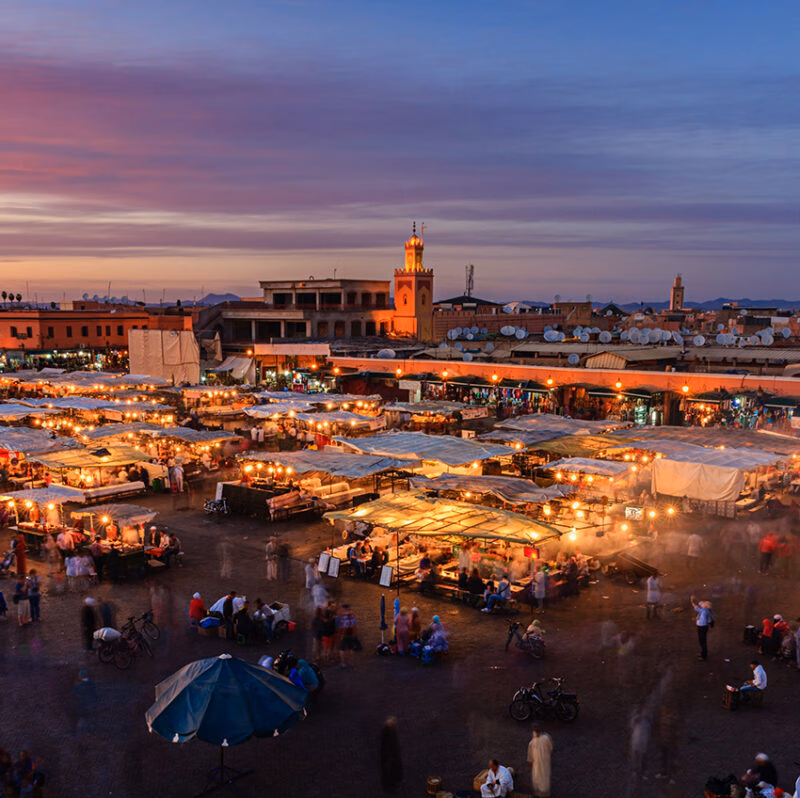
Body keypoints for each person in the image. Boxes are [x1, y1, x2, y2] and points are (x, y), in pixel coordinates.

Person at [527, 725, 553, 798]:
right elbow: (551, 749)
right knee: (544, 780)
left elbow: (529, 760)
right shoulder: (547, 738)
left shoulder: (532, 743)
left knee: (538, 780)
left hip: (537, 766)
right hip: (545, 764)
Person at [379, 716, 403, 793]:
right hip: (389, 757)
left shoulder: (390, 733)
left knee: (393, 770)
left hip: (392, 756)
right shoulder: (387, 734)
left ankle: (393, 783)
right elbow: (384, 748)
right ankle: (389, 787)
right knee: (389, 772)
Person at [691, 596, 713, 661]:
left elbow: (695, 606)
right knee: (701, 641)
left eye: (704, 604)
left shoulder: (704, 611)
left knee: (702, 641)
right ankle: (702, 653)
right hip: (702, 627)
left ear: (706, 606)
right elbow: (700, 603)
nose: (702, 604)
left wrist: (692, 600)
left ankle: (704, 656)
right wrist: (695, 598)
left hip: (702, 627)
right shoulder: (706, 610)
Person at [337, 603, 359, 668]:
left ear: (344, 609)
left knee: (341, 649)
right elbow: (355, 626)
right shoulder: (352, 615)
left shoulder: (342, 616)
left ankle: (343, 663)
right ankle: (351, 662)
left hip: (344, 635)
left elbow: (343, 627)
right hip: (351, 634)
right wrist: (355, 634)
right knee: (351, 648)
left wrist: (341, 635)